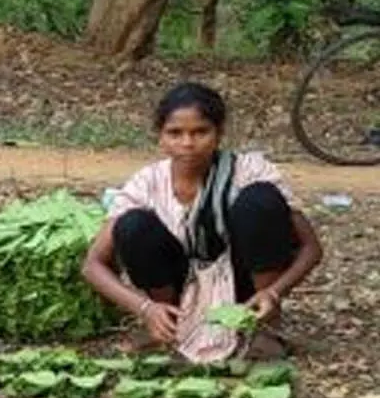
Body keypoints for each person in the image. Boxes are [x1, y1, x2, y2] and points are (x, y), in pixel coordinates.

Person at [82, 82, 322, 362]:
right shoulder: (147, 183)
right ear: (160, 137)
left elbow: (311, 248)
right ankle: (168, 323)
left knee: (259, 200)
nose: (187, 143)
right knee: (133, 225)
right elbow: (93, 264)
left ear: (218, 134)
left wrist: (274, 292)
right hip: (178, 286)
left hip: (245, 284)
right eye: (175, 133)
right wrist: (145, 308)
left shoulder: (248, 171)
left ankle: (264, 328)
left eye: (200, 132)